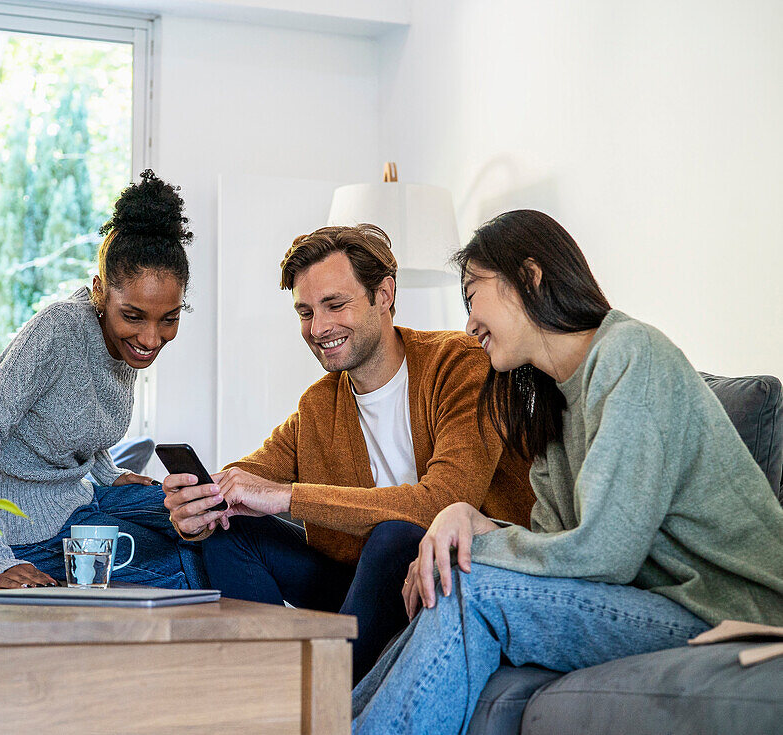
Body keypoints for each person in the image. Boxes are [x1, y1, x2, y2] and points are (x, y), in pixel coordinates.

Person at [351, 210, 783, 734]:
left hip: (733, 613)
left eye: (472, 294)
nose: (468, 324)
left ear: (529, 277)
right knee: (456, 578)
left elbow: (604, 553)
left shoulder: (631, 353)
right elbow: (558, 547)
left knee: (471, 586)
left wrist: (474, 547)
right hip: (655, 601)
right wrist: (467, 520)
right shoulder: (553, 404)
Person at [163, 224, 534, 682]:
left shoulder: (458, 363)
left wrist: (286, 497)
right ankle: (264, 686)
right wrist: (203, 501)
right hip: (359, 583)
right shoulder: (319, 403)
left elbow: (445, 501)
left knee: (395, 535)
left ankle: (328, 697)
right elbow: (253, 472)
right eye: (305, 312)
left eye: (335, 305)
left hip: (448, 575)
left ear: (384, 295)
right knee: (230, 530)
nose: (318, 328)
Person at [0, 170, 206, 590]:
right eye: (134, 316)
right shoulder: (57, 332)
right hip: (24, 530)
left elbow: (76, 419)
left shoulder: (125, 345)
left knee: (203, 518)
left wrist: (108, 472)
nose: (150, 338)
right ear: (100, 292)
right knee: (184, 565)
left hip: (78, 499)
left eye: (169, 319)